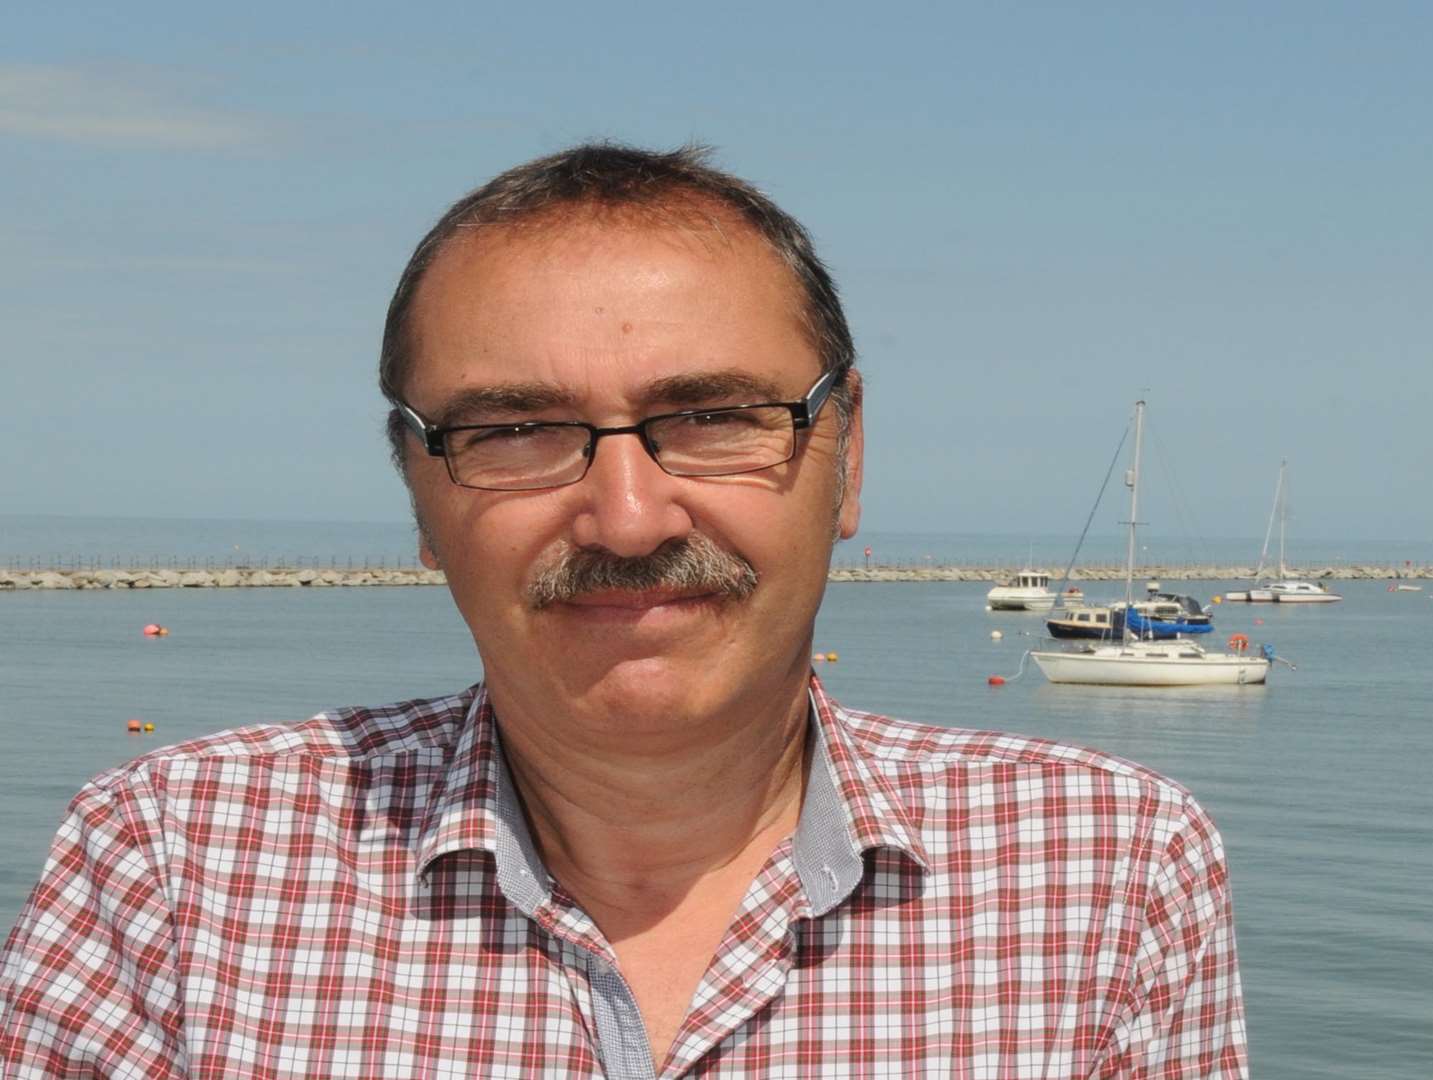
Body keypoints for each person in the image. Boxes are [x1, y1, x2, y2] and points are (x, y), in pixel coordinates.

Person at [1, 144, 1246, 1077]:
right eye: (515, 430)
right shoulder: (175, 864)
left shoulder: (1107, 868)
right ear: (420, 499)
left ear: (848, 458)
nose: (630, 515)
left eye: (711, 416)